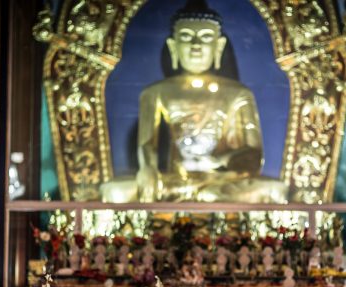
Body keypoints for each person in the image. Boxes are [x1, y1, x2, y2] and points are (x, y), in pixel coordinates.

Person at [102, 0, 286, 203]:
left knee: (272, 190)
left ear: (219, 45)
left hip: (220, 178)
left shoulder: (239, 93)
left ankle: (205, 196)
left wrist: (217, 161)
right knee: (116, 191)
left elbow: (254, 155)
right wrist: (147, 169)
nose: (196, 45)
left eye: (206, 37)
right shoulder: (155, 92)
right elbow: (147, 144)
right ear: (173, 46)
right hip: (174, 180)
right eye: (186, 37)